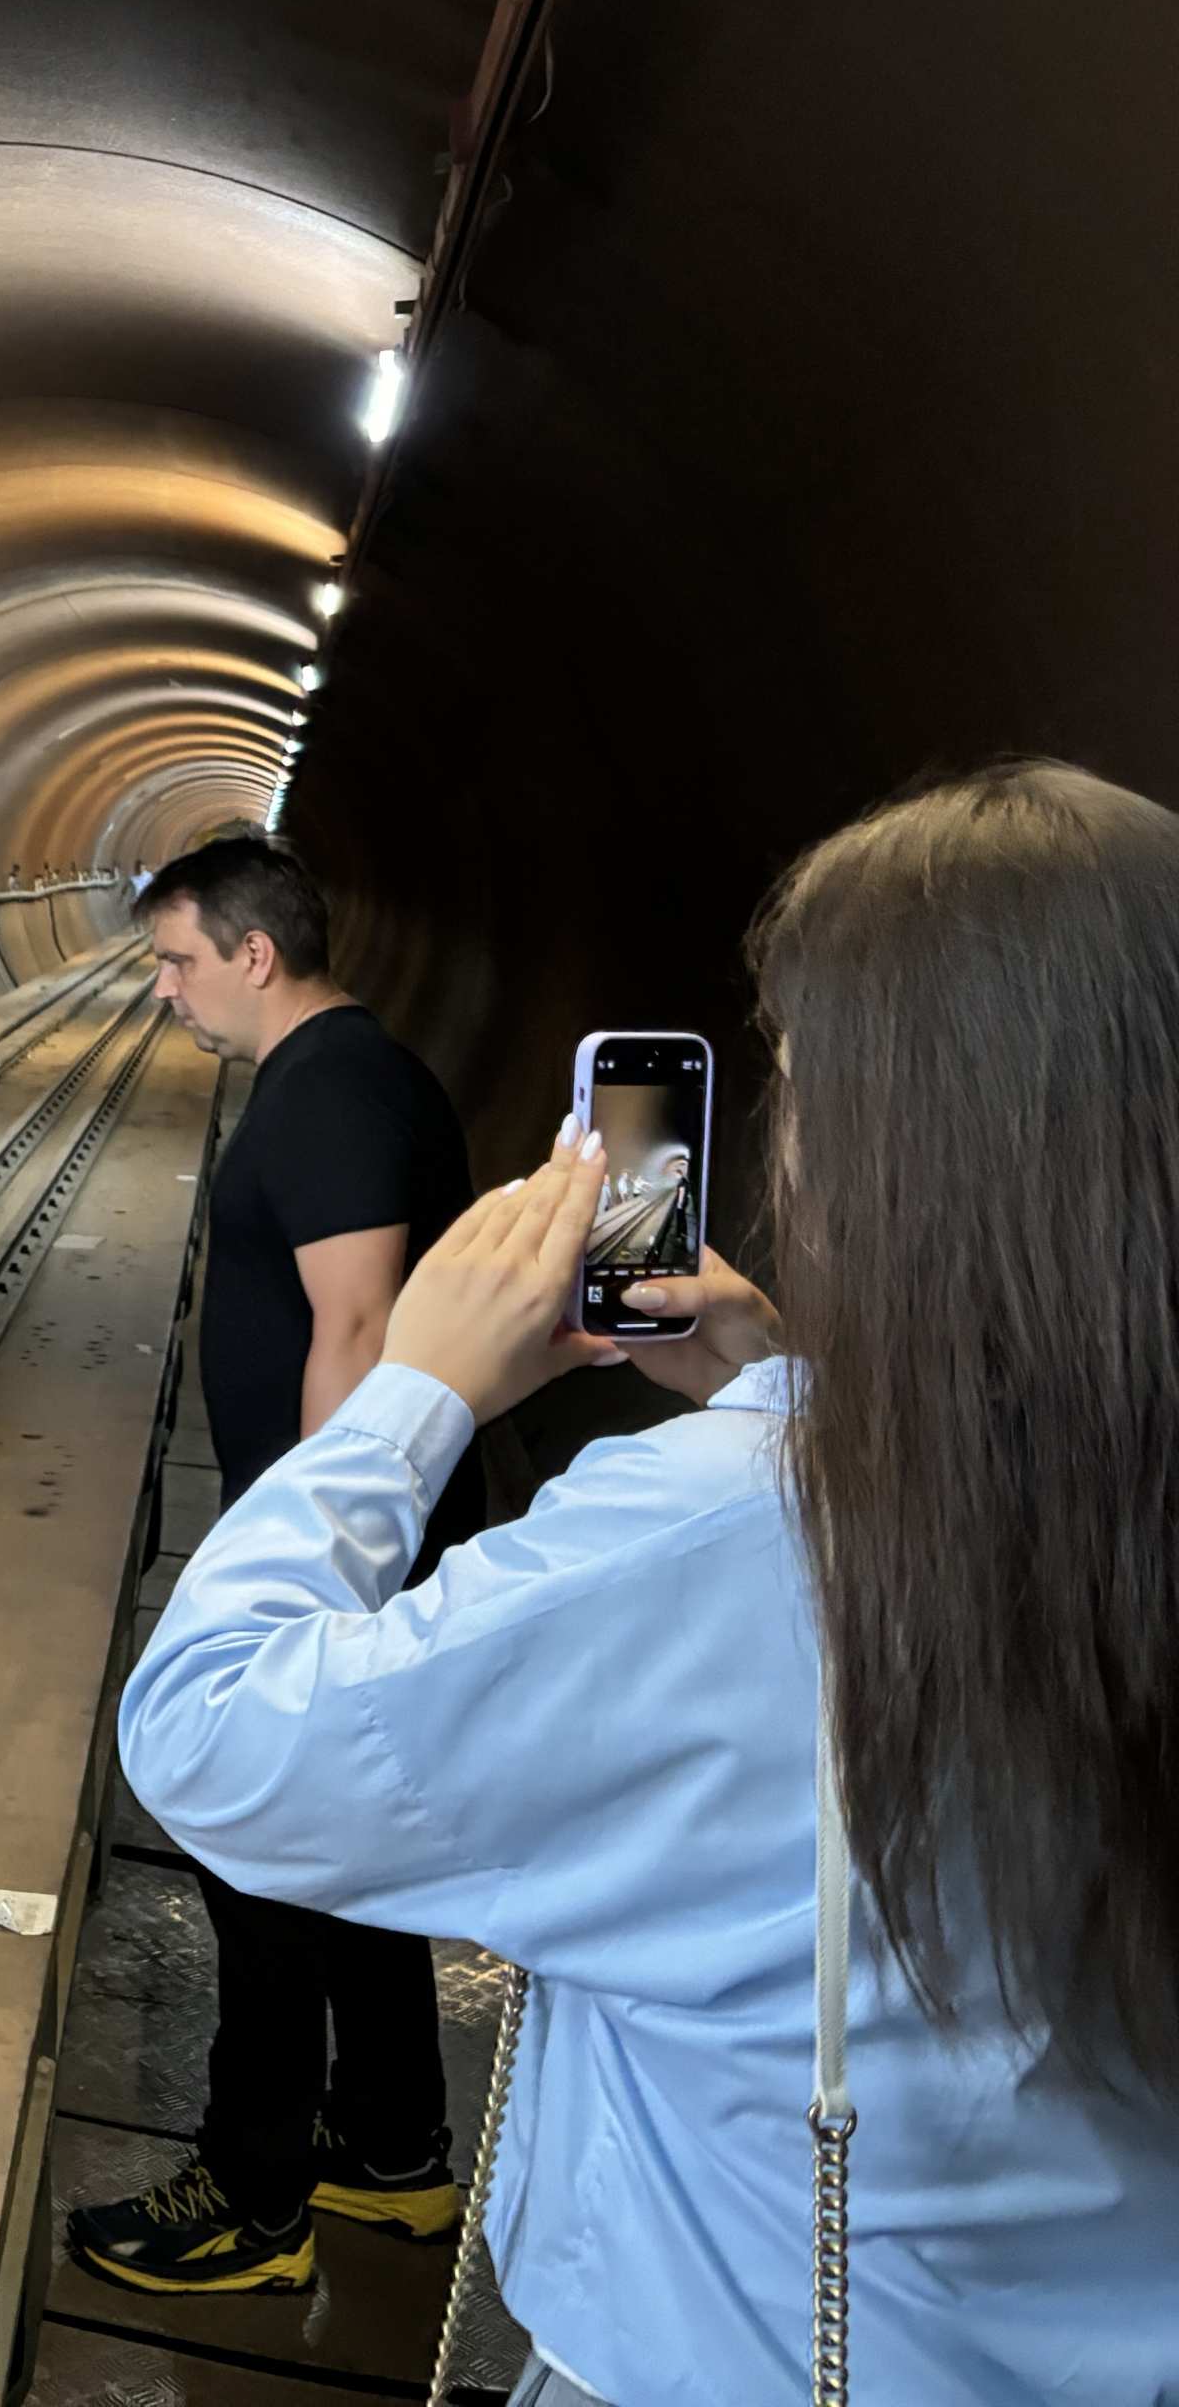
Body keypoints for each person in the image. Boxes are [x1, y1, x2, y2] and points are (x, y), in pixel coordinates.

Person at [122, 762, 1179, 2403]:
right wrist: (782, 1364)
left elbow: (209, 1740)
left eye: (803, 1078)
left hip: (750, 2353)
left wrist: (421, 1393)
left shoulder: (734, 1540)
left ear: (895, 1146)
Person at [65, 833, 475, 2295]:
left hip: (334, 1554)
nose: (167, 992)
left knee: (261, 1851)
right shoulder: (341, 1080)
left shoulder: (330, 1092)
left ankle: (254, 2193)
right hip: (356, 1540)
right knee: (344, 1850)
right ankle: (391, 2151)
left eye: (178, 961)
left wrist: (300, 1572)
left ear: (254, 952)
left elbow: (355, 1335)